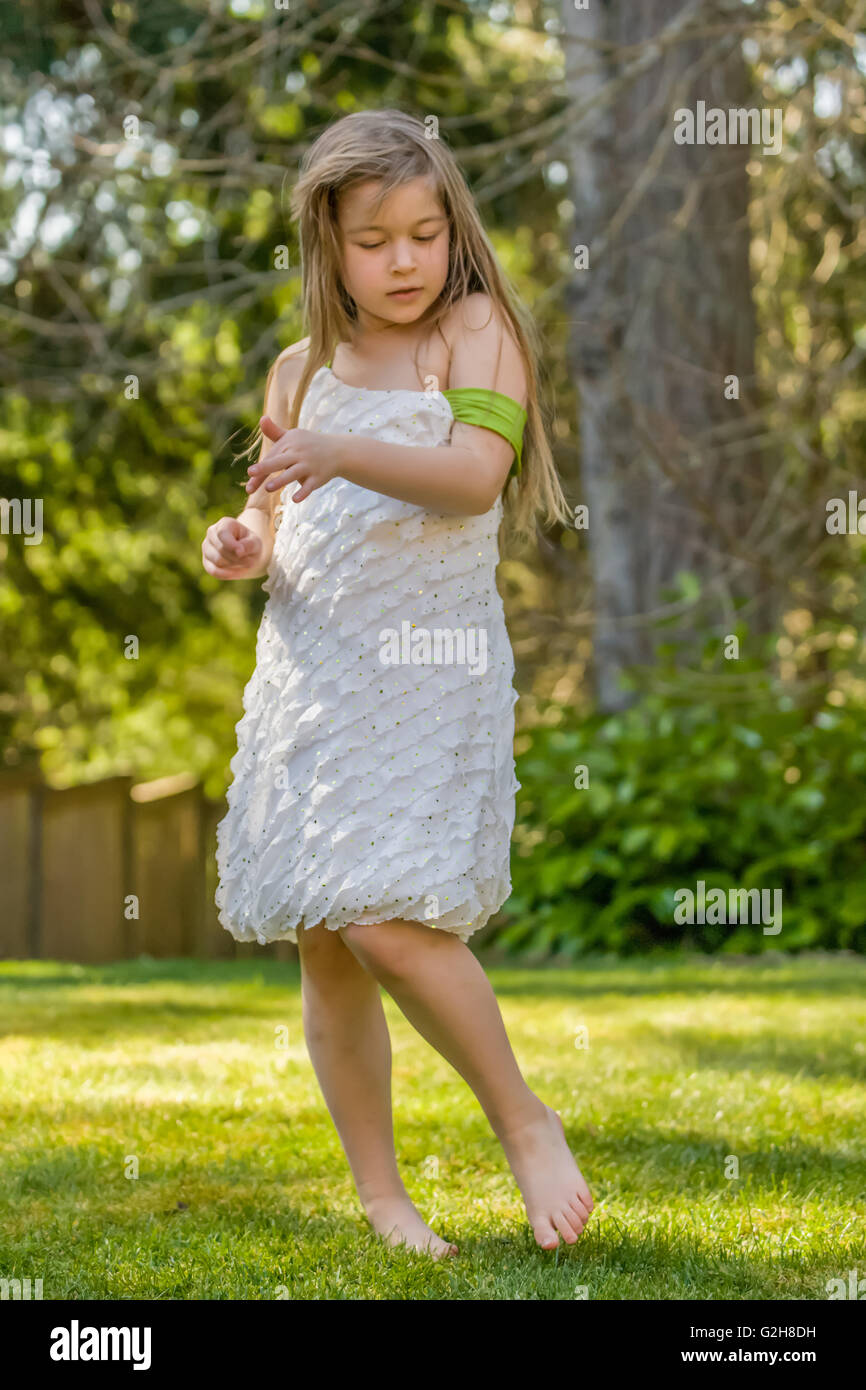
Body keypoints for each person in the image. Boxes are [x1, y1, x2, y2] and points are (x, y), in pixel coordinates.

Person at [203, 109, 593, 1259]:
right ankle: (383, 1198)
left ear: (451, 230)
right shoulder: (301, 369)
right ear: (326, 243)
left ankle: (522, 1120)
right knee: (327, 932)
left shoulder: (473, 334)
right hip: (316, 669)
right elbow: (268, 515)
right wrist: (239, 541)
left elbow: (473, 477)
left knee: (381, 910)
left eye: (424, 232)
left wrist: (335, 450)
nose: (406, 260)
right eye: (374, 241)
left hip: (426, 670)